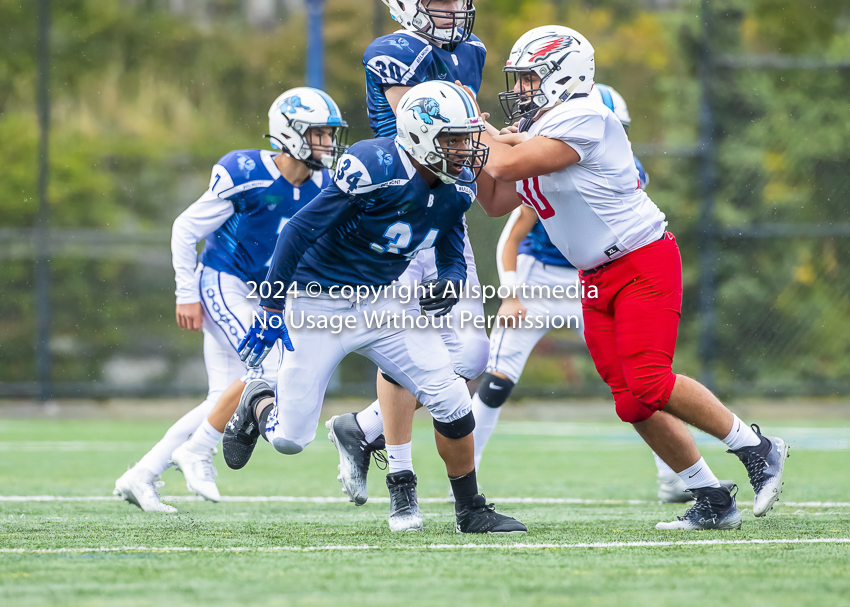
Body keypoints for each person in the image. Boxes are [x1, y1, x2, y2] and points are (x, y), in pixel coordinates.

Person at [472, 25, 788, 530]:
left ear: (561, 76)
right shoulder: (539, 133)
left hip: (642, 261)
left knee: (650, 381)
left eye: (530, 79)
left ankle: (757, 449)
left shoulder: (586, 114)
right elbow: (492, 200)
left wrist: (472, 128)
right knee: (630, 402)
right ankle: (712, 497)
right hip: (595, 276)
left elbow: (507, 160)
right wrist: (469, 149)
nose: (521, 91)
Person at [223, 81, 526, 534]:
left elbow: (448, 241)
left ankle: (470, 509)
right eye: (454, 139)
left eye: (467, 138)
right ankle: (258, 401)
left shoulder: (458, 183)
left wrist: (451, 279)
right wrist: (271, 306)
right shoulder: (375, 164)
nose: (465, 150)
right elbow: (298, 231)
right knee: (289, 439)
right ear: (422, 135)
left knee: (450, 398)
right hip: (317, 304)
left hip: (385, 304)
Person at [473, 83, 734, 504]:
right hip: (542, 278)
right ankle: (468, 476)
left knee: (643, 381)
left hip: (596, 276)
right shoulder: (545, 156)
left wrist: (491, 141)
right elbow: (509, 226)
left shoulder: (609, 158)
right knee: (498, 378)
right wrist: (511, 293)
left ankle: (679, 475)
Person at [113, 88, 347, 513]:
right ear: (290, 134)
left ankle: (142, 475)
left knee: (221, 396)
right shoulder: (247, 172)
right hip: (225, 282)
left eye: (330, 134)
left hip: (265, 295)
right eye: (319, 134)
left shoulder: (323, 184)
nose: (328, 144)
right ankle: (198, 450)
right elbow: (185, 229)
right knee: (270, 367)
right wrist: (186, 292)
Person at [324, 0, 491, 513]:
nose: (450, 9)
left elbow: (460, 144)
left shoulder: (472, 51)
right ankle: (403, 480)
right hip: (395, 213)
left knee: (472, 357)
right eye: (436, 0)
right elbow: (425, 127)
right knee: (405, 351)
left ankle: (362, 428)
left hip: (444, 210)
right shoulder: (393, 49)